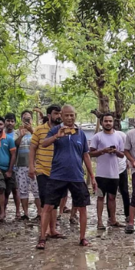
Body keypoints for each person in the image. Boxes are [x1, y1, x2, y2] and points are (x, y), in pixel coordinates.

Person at [38, 105, 96, 249]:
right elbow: (43, 144)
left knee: (82, 207)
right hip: (57, 175)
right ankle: (42, 237)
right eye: (67, 115)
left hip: (76, 176)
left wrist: (92, 176)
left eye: (72, 115)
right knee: (48, 206)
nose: (70, 118)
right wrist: (56, 136)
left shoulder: (81, 133)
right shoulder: (55, 130)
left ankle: (82, 238)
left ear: (75, 116)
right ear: (61, 116)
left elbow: (86, 155)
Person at [30, 105, 63, 240]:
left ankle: (53, 229)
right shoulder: (39, 130)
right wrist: (31, 166)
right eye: (56, 113)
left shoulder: (64, 130)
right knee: (45, 200)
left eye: (60, 113)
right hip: (42, 169)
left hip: (58, 171)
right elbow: (32, 148)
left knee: (55, 201)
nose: (59, 116)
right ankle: (45, 231)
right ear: (49, 115)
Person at [89, 112, 127, 229]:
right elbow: (90, 153)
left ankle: (113, 220)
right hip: (101, 173)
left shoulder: (118, 137)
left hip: (114, 174)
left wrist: (115, 152)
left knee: (112, 197)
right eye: (106, 121)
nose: (108, 123)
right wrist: (103, 151)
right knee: (100, 197)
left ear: (113, 122)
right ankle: (100, 221)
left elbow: (122, 154)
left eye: (110, 121)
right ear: (102, 123)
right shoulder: (97, 137)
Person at [14, 110, 40, 220]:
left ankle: (40, 212)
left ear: (32, 120)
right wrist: (21, 135)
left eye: (29, 118)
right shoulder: (17, 131)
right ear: (21, 119)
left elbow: (40, 142)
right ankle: (25, 213)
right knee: (23, 190)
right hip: (20, 165)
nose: (27, 120)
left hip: (34, 165)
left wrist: (31, 130)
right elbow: (15, 144)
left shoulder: (36, 131)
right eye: (25, 118)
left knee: (37, 190)